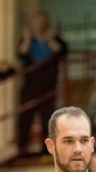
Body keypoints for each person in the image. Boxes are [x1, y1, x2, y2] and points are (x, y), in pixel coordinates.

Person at [17, 11, 68, 154]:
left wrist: (49, 39)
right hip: (29, 85)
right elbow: (21, 54)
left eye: (42, 22)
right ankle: (22, 149)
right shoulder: (27, 40)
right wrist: (27, 38)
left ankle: (46, 149)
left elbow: (61, 51)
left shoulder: (54, 39)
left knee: (48, 118)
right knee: (25, 116)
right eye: (37, 22)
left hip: (48, 86)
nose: (39, 25)